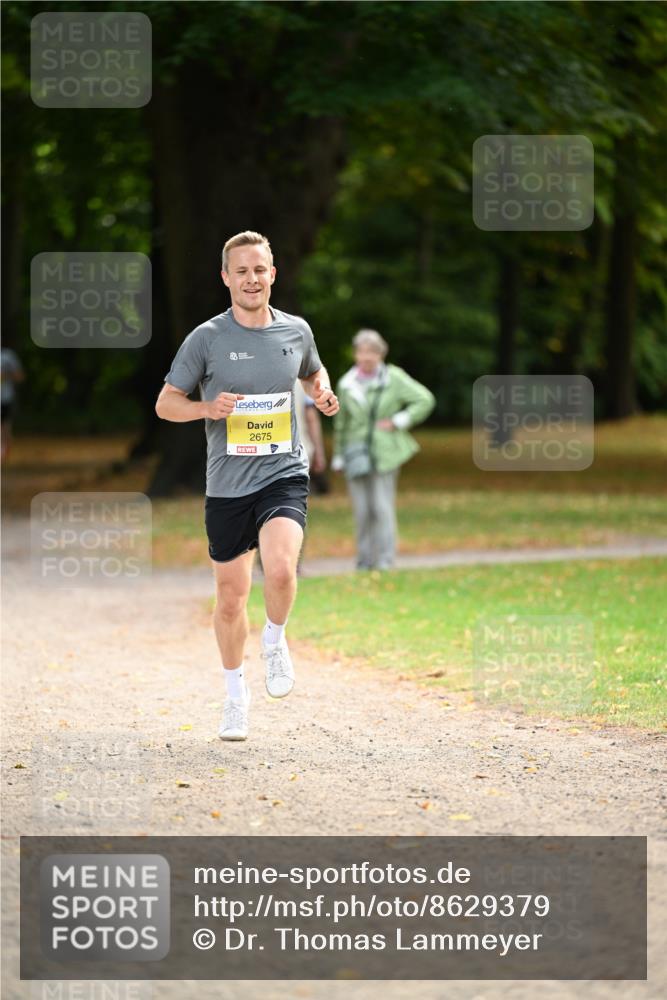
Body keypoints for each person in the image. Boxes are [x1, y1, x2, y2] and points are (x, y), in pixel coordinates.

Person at [155, 231, 339, 741]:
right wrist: (204, 408)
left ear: (272, 274)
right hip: (228, 485)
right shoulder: (207, 339)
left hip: (283, 474)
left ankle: (275, 640)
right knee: (231, 598)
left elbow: (313, 372)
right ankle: (235, 694)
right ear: (226, 278)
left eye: (260, 270)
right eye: (242, 271)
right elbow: (165, 403)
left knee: (280, 571)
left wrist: (321, 392)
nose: (252, 279)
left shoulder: (296, 330)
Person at [332, 329, 434, 570]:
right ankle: (364, 561)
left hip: (385, 453)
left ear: (381, 354)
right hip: (355, 453)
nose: (366, 357)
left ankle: (385, 562)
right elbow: (341, 422)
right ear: (355, 354)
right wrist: (338, 455)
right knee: (361, 510)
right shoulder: (346, 384)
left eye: (372, 352)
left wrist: (399, 420)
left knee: (382, 507)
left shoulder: (393, 378)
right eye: (362, 352)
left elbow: (425, 399)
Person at [1, 347, 24, 462]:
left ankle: (4, 451)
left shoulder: (8, 356)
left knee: (5, 427)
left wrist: (6, 375)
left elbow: (20, 376)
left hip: (5, 398)